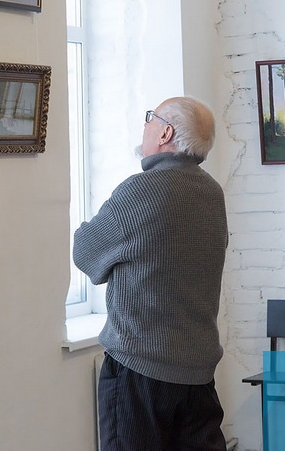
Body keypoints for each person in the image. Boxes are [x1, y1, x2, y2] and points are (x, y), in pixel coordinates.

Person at [73, 97, 229, 451]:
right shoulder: (211, 192)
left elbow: (85, 253)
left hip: (139, 371)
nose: (145, 126)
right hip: (198, 373)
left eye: (150, 119)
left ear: (165, 132)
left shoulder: (141, 190)